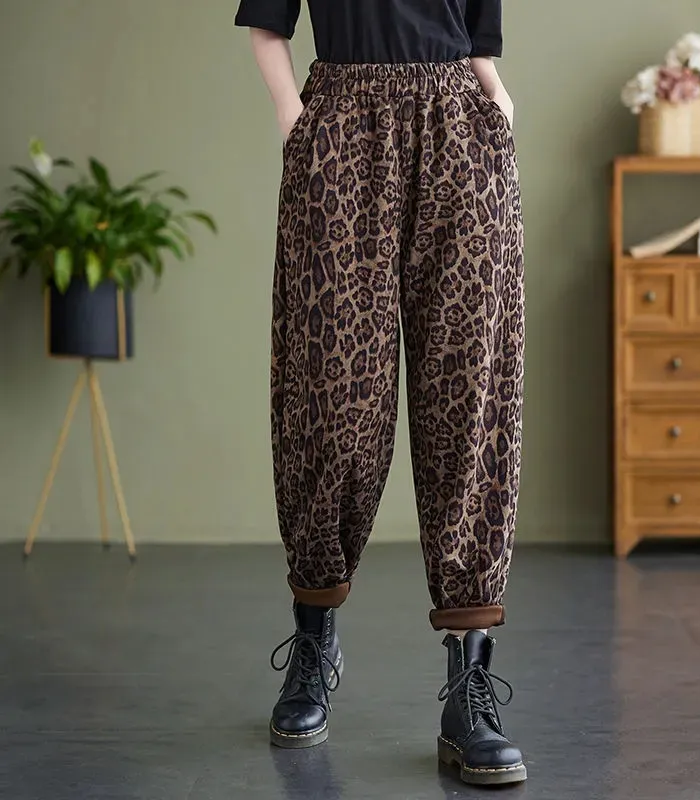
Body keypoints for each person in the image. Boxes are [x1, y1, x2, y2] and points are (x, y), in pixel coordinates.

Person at [234, 0, 526, 787]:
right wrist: (296, 119)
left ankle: (469, 685)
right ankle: (313, 639)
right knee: (331, 399)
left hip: (461, 127)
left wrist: (495, 102)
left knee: (469, 396)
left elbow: (478, 37)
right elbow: (267, 24)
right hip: (341, 128)